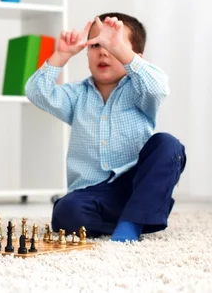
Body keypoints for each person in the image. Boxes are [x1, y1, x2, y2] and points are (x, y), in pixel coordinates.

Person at [25, 13, 187, 242]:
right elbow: (36, 92)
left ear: (134, 56)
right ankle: (135, 217)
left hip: (137, 185)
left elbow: (159, 87)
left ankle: (131, 222)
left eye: (113, 45)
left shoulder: (140, 91)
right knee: (65, 212)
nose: (103, 51)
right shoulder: (76, 95)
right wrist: (62, 54)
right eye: (96, 45)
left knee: (169, 145)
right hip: (94, 193)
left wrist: (121, 50)